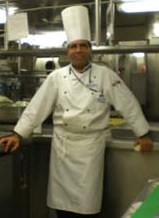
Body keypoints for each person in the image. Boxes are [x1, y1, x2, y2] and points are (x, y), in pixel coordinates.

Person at [0, 5, 153, 218]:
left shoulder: (105, 75)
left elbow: (127, 103)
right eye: (74, 46)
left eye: (83, 46)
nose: (78, 50)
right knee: (62, 210)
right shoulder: (56, 77)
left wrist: (142, 133)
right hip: (63, 148)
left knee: (88, 209)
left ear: (89, 49)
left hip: (90, 148)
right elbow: (37, 107)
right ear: (67, 51)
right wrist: (17, 134)